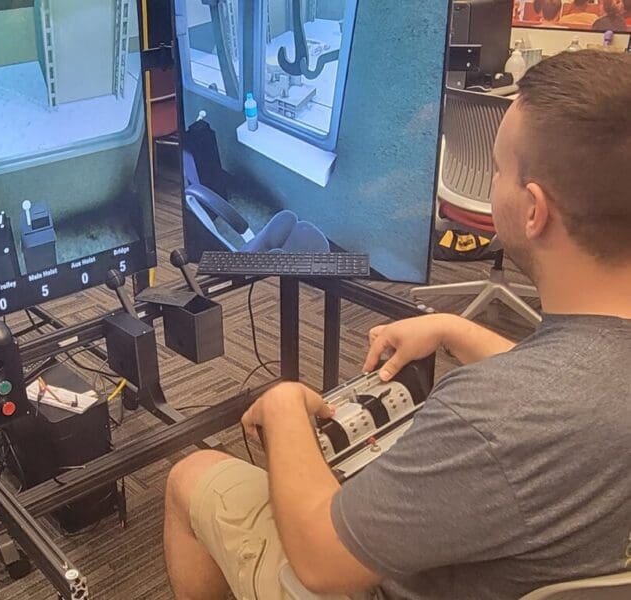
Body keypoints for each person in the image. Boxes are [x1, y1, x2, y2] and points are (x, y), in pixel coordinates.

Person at [163, 50, 631, 600]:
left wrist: (285, 402)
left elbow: (320, 558)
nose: (492, 183)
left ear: (534, 209)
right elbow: (580, 378)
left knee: (187, 477)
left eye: (499, 169)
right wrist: (456, 332)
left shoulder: (488, 415)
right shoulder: (571, 385)